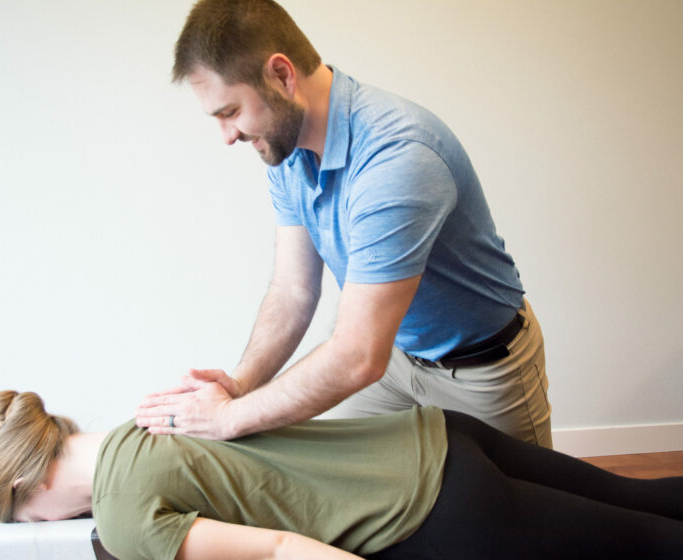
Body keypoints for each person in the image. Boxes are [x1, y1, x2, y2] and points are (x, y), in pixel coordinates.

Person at [135, 0, 552, 447]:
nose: (228, 136)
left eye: (230, 112)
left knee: (533, 511)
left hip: (479, 369)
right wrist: (239, 387)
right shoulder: (285, 151)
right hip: (394, 359)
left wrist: (227, 418)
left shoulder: (397, 157)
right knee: (361, 495)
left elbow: (357, 356)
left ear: (281, 75)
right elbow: (293, 291)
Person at [0, 390, 683, 559]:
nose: (49, 529)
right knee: (638, 500)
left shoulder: (123, 522)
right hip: (435, 434)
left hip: (435, 509)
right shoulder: (149, 416)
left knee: (650, 548)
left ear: (30, 488)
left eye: (25, 521)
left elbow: (280, 550)